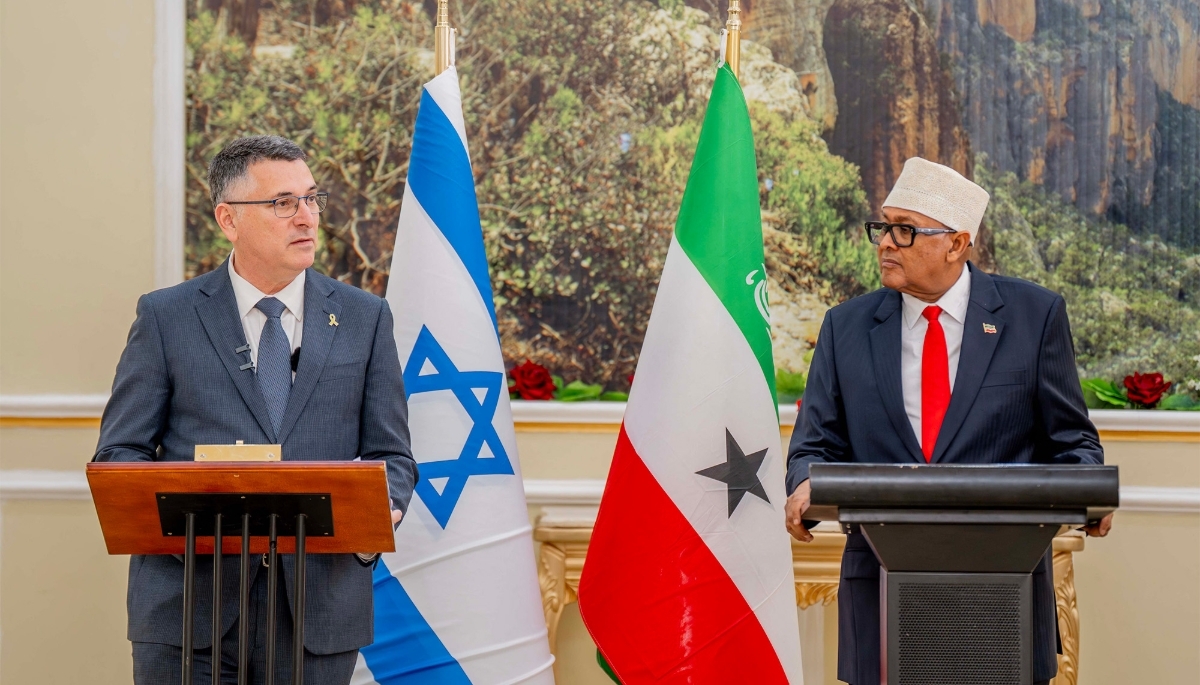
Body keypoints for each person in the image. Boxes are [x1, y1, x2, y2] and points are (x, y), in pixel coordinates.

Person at [94, 135, 417, 684]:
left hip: (317, 609)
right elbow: (119, 453)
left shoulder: (365, 320)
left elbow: (393, 456)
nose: (306, 217)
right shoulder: (166, 317)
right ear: (228, 218)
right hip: (186, 610)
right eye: (282, 202)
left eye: (311, 199)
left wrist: (381, 512)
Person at [783, 157, 1112, 685]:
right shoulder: (845, 327)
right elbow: (812, 446)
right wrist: (803, 484)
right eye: (883, 227)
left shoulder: (1034, 317)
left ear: (957, 244)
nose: (885, 243)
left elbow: (1071, 439)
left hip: (1002, 602)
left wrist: (1088, 488)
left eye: (905, 230)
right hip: (883, 600)